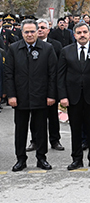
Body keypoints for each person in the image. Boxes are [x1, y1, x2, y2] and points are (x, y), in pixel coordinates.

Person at [57, 22, 90, 170]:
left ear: (89, 34)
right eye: (79, 32)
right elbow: (60, 76)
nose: (82, 35)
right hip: (73, 97)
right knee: (75, 130)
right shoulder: (65, 51)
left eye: (85, 32)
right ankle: (76, 159)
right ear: (74, 35)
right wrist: (62, 96)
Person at [5, 19, 57, 171]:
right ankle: (21, 159)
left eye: (32, 31)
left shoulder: (47, 48)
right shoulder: (14, 49)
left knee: (41, 129)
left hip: (41, 96)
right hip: (20, 97)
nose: (29, 34)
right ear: (21, 33)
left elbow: (52, 74)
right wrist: (11, 96)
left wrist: (51, 95)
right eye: (26, 32)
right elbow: (9, 74)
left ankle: (42, 158)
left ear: (37, 32)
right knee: (20, 130)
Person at [28, 19, 64, 152]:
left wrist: (56, 90)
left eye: (43, 27)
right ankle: (35, 141)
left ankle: (55, 140)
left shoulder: (56, 45)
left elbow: (59, 68)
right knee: (35, 116)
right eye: (38, 27)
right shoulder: (30, 45)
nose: (40, 30)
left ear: (48, 30)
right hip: (34, 88)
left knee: (52, 116)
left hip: (50, 86)